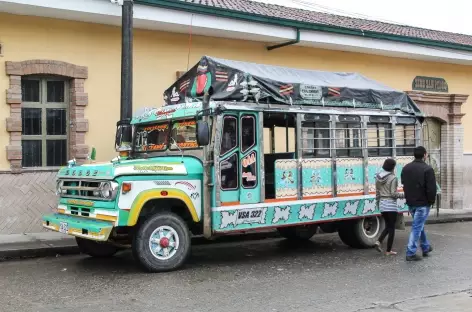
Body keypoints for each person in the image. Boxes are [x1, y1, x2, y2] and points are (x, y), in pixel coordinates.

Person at [401, 146, 437, 261]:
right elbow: (431, 189)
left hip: (411, 202)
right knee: (417, 227)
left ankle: (425, 247)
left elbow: (403, 183)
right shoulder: (428, 169)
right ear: (425, 155)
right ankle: (410, 252)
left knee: (418, 225)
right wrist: (431, 201)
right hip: (422, 203)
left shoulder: (406, 168)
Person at [374, 158, 404, 255]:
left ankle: (378, 241)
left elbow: (377, 193)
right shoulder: (393, 178)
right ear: (393, 167)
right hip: (391, 205)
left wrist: (378, 203)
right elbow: (393, 194)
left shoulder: (378, 177)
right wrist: (404, 195)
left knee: (388, 226)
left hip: (382, 204)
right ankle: (388, 250)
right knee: (391, 228)